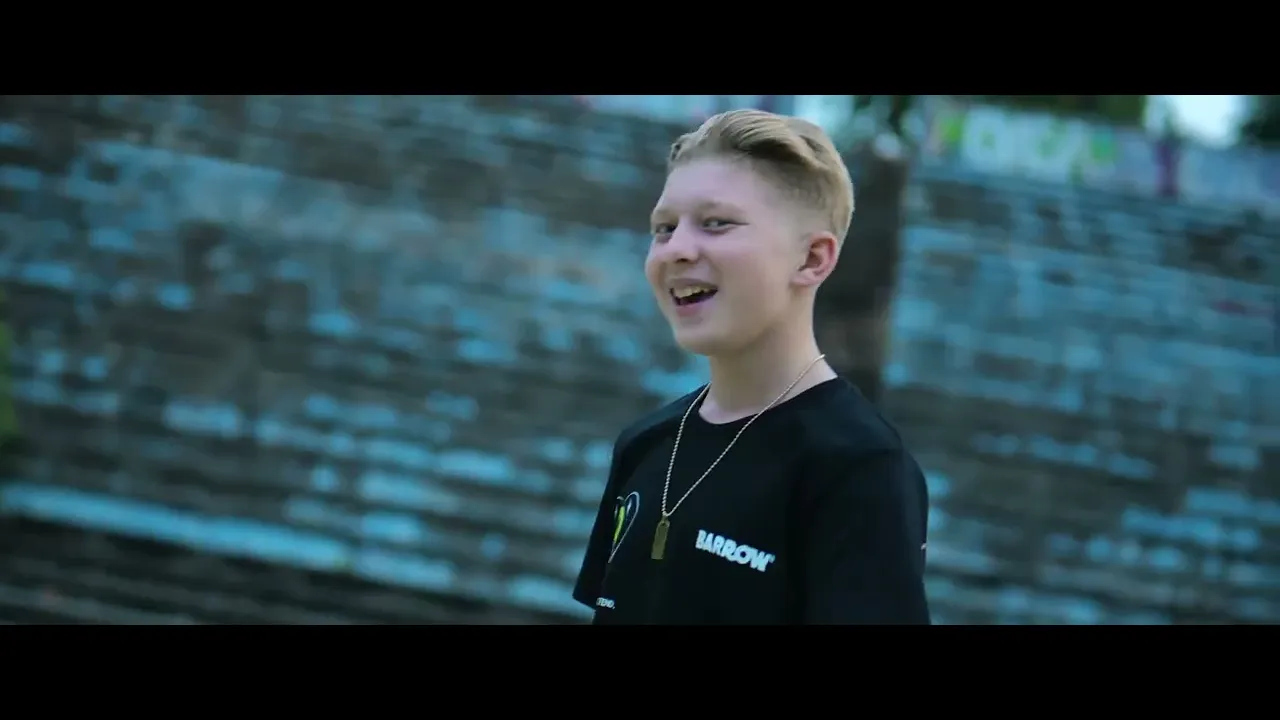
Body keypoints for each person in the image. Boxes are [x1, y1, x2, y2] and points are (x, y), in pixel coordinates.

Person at [572, 110, 931, 624]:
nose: (677, 249)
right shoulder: (645, 443)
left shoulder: (860, 467)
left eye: (716, 223)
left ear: (812, 259)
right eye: (664, 228)